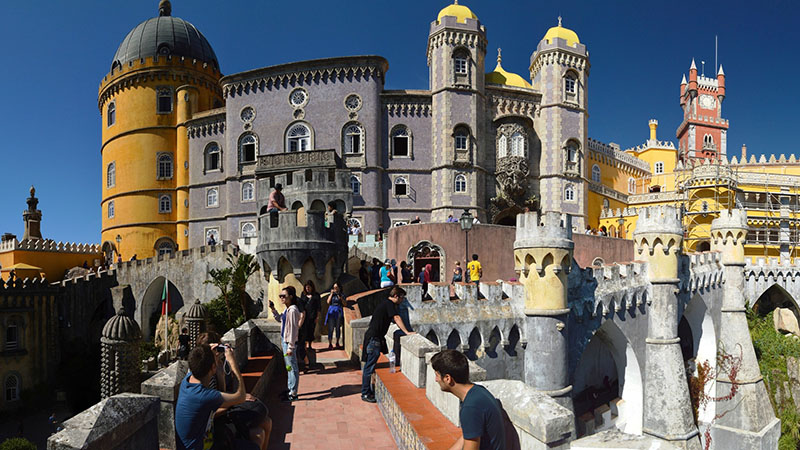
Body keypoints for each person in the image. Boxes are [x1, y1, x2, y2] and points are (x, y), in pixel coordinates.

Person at [194, 332, 271, 449]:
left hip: (224, 411)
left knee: (267, 422)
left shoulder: (216, 368)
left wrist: (220, 371)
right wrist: (237, 400)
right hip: (215, 423)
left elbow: (224, 391)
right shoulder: (202, 376)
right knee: (258, 434)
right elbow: (210, 413)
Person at [175, 344, 250, 450]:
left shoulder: (187, 381)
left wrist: (206, 351)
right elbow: (241, 397)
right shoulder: (205, 396)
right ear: (213, 367)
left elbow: (198, 363)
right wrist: (233, 365)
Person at [431, 349, 506, 450]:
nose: (436, 380)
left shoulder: (471, 407)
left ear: (448, 378)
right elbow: (468, 434)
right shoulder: (477, 392)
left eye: (437, 375)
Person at [361, 286, 415, 403]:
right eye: (401, 298)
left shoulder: (385, 303)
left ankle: (367, 391)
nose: (401, 301)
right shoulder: (389, 304)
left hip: (373, 338)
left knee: (369, 367)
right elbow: (396, 317)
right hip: (373, 340)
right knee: (369, 368)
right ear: (396, 296)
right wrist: (407, 332)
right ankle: (365, 393)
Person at [269, 287, 301, 402]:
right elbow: (279, 319)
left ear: (291, 297)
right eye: (280, 296)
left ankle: (293, 393)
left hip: (289, 343)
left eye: (284, 296)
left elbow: (293, 329)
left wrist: (291, 347)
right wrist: (273, 309)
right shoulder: (287, 310)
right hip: (285, 341)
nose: (282, 298)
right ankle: (290, 389)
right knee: (288, 367)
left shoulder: (292, 310)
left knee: (292, 368)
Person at [299, 281, 321, 369]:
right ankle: (305, 345)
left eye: (309, 287)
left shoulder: (316, 295)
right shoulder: (303, 295)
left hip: (312, 316)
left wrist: (317, 317)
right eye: (306, 287)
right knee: (305, 331)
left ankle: (310, 345)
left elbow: (318, 307)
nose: (308, 289)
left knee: (311, 330)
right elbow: (301, 305)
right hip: (305, 317)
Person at [325, 282, 345, 349]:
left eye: (336, 288)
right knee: (330, 328)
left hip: (338, 312)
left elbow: (345, 304)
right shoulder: (332, 295)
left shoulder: (341, 295)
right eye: (334, 288)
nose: (335, 289)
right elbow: (328, 302)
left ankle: (337, 342)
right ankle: (330, 343)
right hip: (332, 311)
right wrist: (331, 294)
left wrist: (340, 297)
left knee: (337, 328)